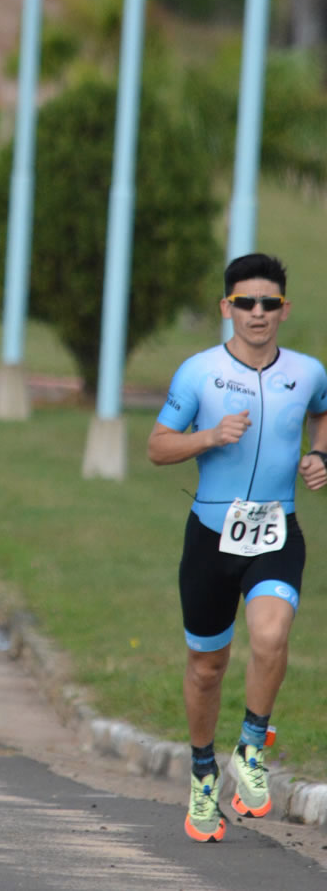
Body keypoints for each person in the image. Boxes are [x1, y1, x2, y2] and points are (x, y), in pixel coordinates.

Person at [147, 253, 327, 843]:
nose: (257, 313)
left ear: (283, 310)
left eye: (268, 304)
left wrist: (320, 455)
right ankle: (203, 774)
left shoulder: (307, 372)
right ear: (227, 308)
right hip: (210, 536)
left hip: (277, 530)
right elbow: (157, 447)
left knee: (272, 635)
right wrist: (209, 435)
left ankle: (251, 748)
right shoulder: (198, 372)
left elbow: (323, 416)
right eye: (245, 303)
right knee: (208, 666)